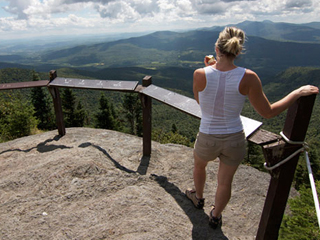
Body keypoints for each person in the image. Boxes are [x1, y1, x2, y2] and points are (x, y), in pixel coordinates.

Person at [185, 26, 319, 229]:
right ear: (238, 52)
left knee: (199, 166)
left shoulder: (199, 74)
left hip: (208, 135)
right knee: (224, 182)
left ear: (216, 48)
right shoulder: (248, 77)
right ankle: (215, 216)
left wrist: (211, 67)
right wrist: (297, 93)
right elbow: (268, 112)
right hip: (234, 139)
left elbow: (201, 102)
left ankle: (199, 197)